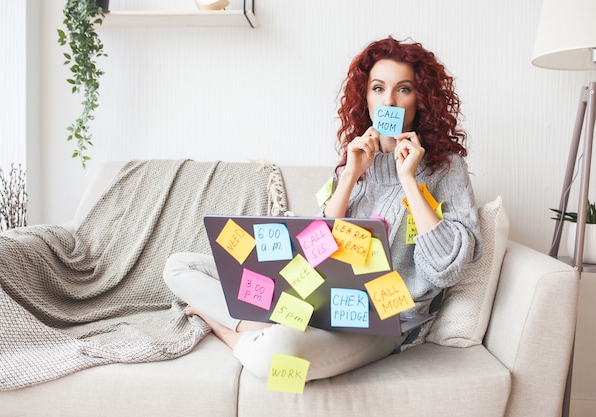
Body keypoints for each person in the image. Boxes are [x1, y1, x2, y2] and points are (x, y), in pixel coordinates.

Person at [163, 36, 482, 381]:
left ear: (421, 98)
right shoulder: (354, 161)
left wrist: (409, 179)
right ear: (366, 96)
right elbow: (314, 254)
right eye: (378, 88)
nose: (389, 101)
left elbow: (445, 270)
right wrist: (349, 178)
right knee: (179, 266)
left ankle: (226, 328)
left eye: (403, 89)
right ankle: (259, 324)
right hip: (320, 305)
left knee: (278, 357)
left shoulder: (445, 168)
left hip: (381, 324)